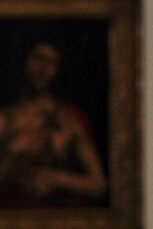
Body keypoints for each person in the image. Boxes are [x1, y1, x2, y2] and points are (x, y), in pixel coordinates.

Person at [0, 41, 107, 208]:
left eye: (52, 63)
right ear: (24, 61)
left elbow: (99, 185)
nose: (44, 69)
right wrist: (13, 157)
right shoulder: (5, 118)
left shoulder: (69, 119)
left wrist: (57, 178)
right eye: (39, 58)